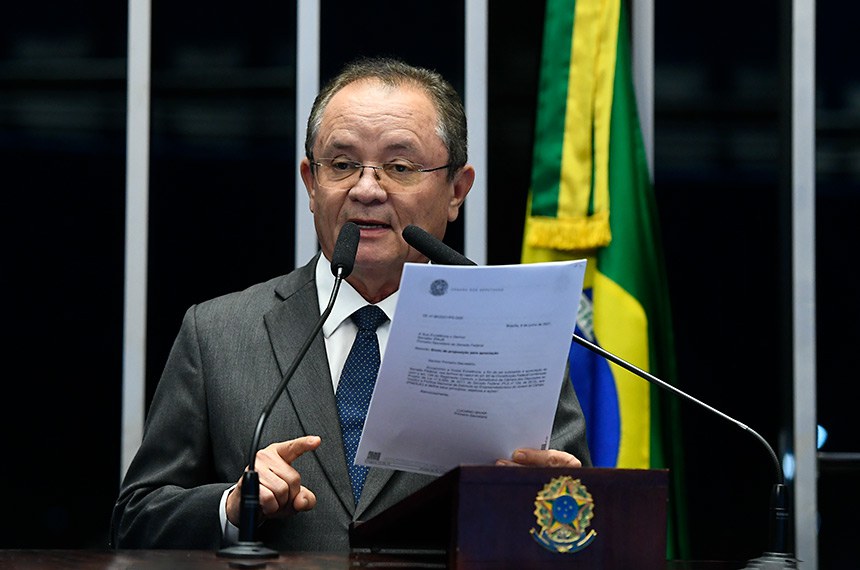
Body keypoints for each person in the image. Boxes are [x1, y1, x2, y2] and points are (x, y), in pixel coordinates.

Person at [110, 56, 592, 552]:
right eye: (342, 165)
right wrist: (234, 505)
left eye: (399, 167)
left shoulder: (511, 332)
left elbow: (578, 529)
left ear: (457, 190)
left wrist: (542, 496)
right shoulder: (219, 332)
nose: (366, 189)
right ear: (311, 183)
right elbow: (135, 522)